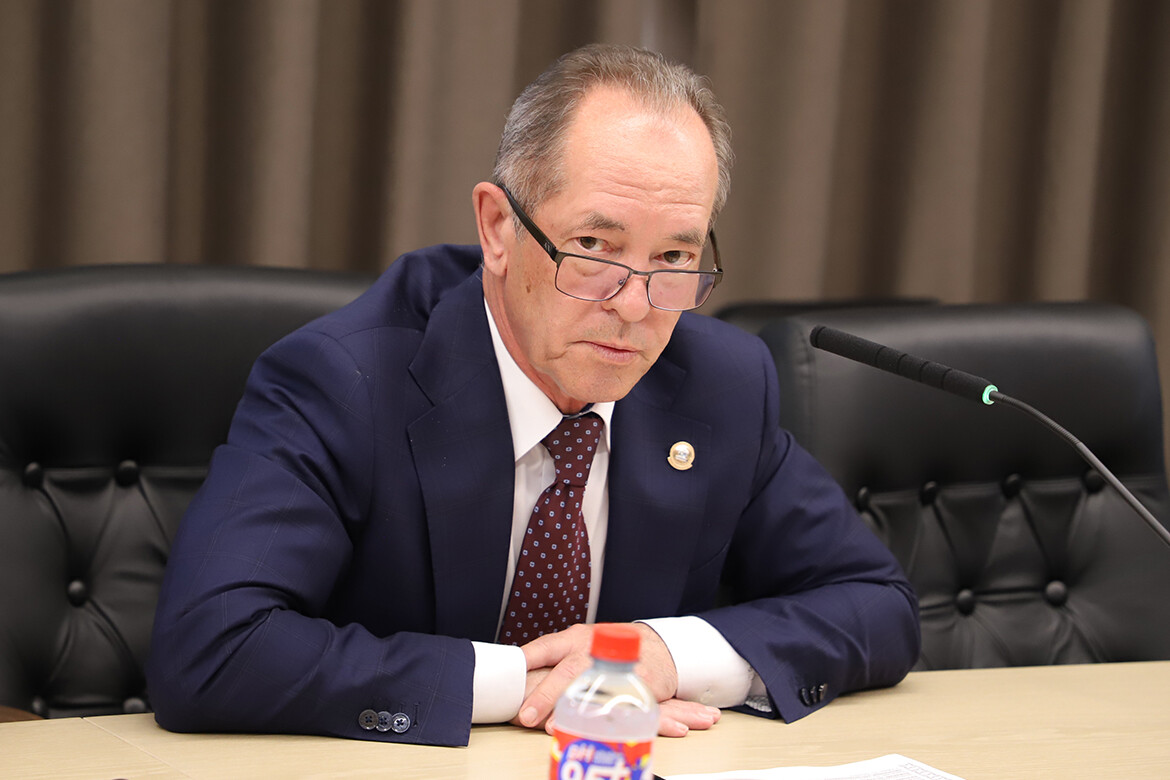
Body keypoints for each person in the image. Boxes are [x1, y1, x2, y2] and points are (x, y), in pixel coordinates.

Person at [146, 43, 919, 748]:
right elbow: (211, 648)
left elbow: (877, 603)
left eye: (674, 257)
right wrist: (532, 683)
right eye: (594, 247)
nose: (634, 305)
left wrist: (659, 656)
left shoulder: (721, 384)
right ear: (497, 228)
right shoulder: (345, 380)